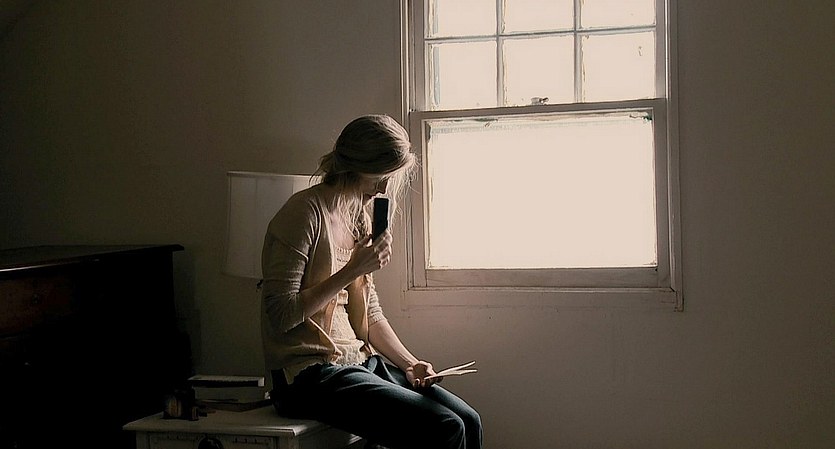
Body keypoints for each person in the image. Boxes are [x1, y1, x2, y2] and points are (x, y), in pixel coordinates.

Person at [260, 114, 482, 449]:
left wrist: (410, 364)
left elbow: (370, 312)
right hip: (306, 375)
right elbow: (280, 314)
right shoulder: (303, 214)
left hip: (358, 361)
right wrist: (351, 270)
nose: (382, 189)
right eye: (378, 177)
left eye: (388, 179)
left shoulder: (358, 218)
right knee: (444, 427)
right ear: (354, 166)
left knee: (468, 419)